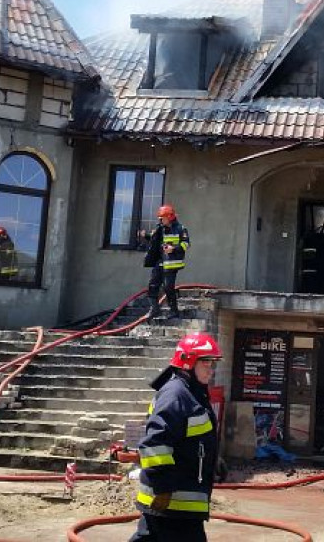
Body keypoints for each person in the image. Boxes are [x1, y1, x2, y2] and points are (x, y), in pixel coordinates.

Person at [131, 332, 222, 541]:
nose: (211, 368)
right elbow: (155, 444)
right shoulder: (176, 394)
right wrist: (163, 488)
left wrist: (213, 459)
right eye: (206, 362)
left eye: (212, 362)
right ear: (188, 363)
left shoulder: (192, 391)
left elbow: (192, 437)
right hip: (172, 503)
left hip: (180, 505)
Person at [143, 204, 189, 320]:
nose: (160, 220)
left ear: (169, 217)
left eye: (162, 218)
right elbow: (155, 239)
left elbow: (186, 243)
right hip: (160, 261)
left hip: (172, 263)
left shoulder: (180, 229)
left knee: (168, 287)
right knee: (152, 285)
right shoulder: (160, 228)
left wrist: (173, 249)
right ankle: (154, 309)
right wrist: (146, 236)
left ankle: (173, 311)